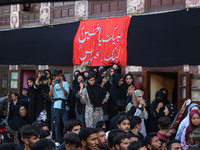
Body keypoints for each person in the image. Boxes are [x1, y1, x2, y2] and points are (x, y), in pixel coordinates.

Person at [50, 70, 70, 145]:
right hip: (56, 105)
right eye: (54, 77)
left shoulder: (65, 84)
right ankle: (58, 140)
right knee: (57, 123)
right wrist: (52, 86)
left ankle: (66, 139)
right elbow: (51, 95)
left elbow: (66, 95)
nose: (56, 78)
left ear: (59, 75)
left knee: (66, 123)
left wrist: (62, 87)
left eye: (57, 76)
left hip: (65, 105)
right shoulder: (53, 85)